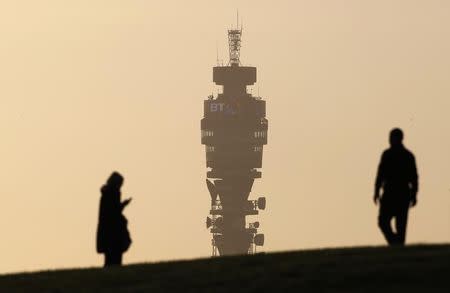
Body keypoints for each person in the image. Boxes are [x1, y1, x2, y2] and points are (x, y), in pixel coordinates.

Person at [374, 128, 419, 246]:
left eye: (391, 138)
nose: (389, 140)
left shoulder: (407, 156)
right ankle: (395, 243)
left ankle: (397, 246)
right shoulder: (390, 154)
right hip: (393, 192)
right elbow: (380, 174)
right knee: (384, 222)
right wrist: (376, 191)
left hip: (399, 193)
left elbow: (414, 178)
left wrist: (414, 194)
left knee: (400, 225)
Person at [96, 171, 132, 266]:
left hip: (106, 230)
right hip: (114, 231)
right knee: (115, 257)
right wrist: (123, 204)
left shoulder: (106, 193)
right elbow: (114, 211)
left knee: (109, 259)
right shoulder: (114, 193)